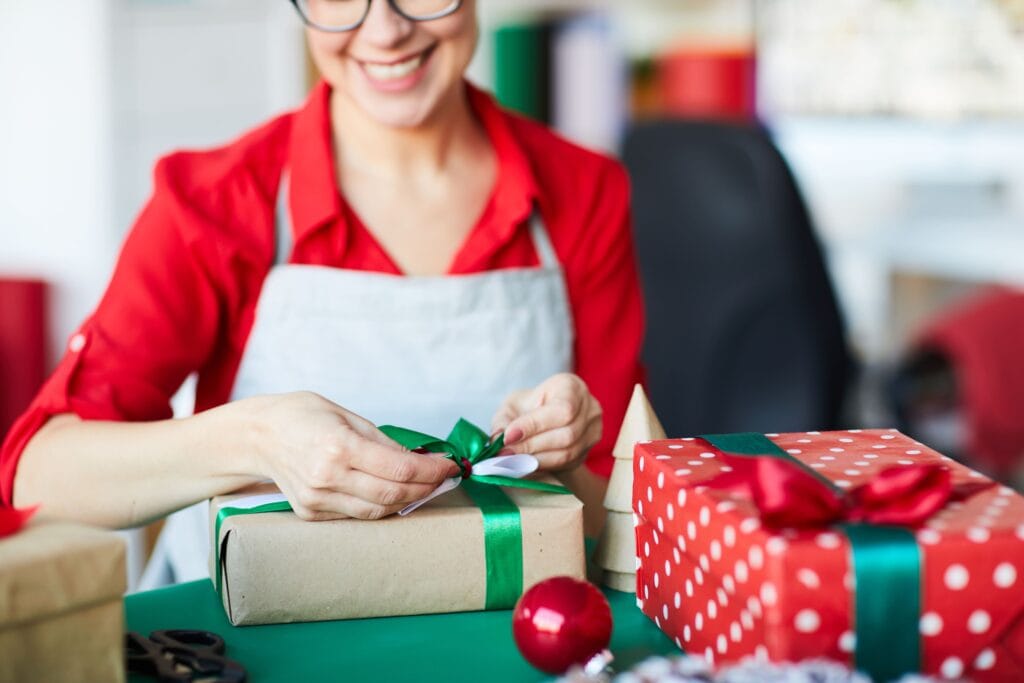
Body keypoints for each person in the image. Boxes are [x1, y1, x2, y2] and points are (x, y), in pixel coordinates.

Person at [0, 0, 644, 582]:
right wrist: (255, 440)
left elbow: (625, 522)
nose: (385, 29)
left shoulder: (584, 192)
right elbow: (39, 473)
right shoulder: (213, 202)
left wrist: (565, 459)